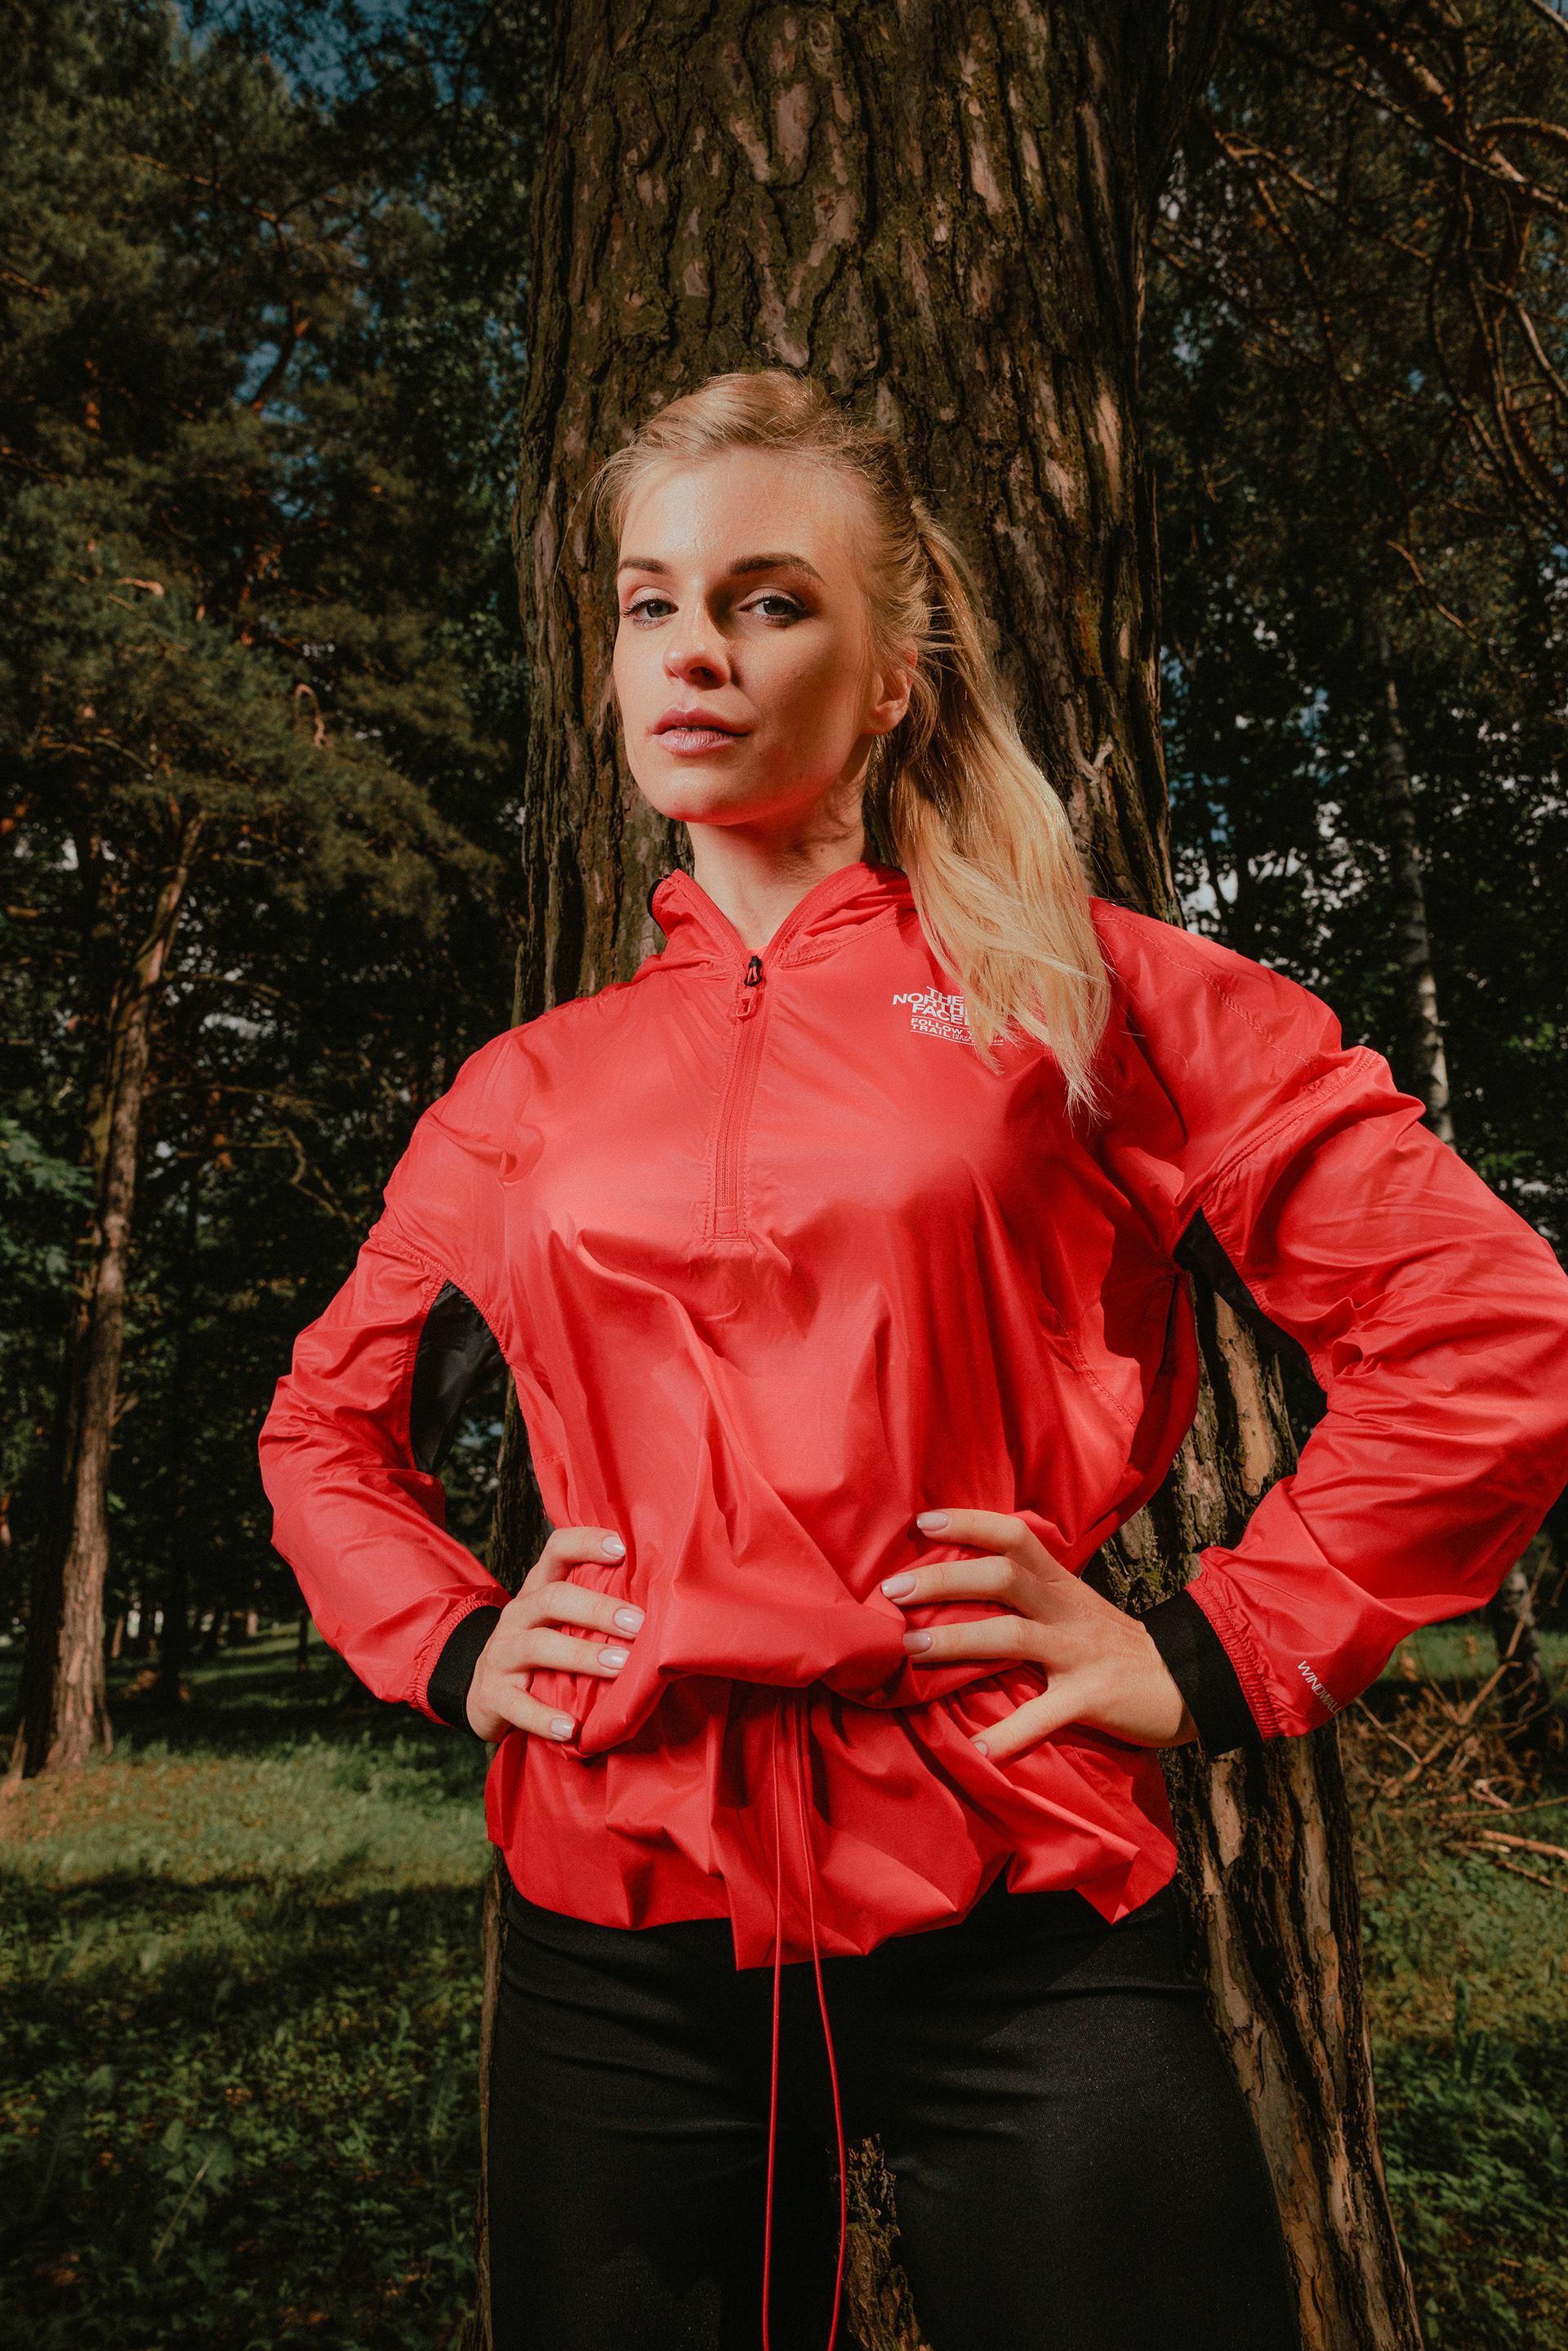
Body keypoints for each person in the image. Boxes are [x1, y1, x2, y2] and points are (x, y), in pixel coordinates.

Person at [259, 371, 1568, 2351]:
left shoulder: (1084, 995)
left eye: (770, 600)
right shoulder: (524, 1092)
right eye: (649, 601)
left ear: (889, 679)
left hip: (1015, 1868)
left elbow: (1486, 1326)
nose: (695, 648)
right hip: (621, 1909)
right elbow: (324, 1431)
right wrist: (451, 1642)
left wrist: (1218, 1644)